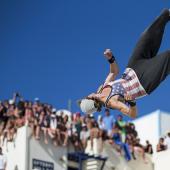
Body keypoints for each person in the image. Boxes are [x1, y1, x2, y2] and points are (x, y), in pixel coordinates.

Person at [79, 9, 170, 118]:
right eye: (86, 97)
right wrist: (132, 103)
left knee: (148, 35)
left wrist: (111, 59)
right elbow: (132, 115)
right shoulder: (110, 102)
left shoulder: (102, 88)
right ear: (91, 99)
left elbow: (113, 72)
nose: (87, 94)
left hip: (133, 68)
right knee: (168, 56)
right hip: (142, 82)